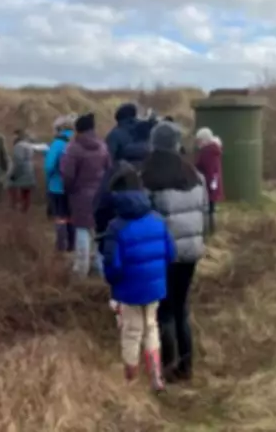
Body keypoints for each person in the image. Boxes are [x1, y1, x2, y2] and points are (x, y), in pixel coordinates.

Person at [141, 120, 208, 383]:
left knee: (164, 310)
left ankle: (168, 368)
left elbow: (142, 215)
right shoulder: (194, 175)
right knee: (181, 308)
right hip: (191, 251)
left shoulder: (147, 176)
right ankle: (186, 367)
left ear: (154, 143)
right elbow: (204, 211)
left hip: (162, 252)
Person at [100, 165, 176, 392]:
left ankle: (130, 382)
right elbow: (171, 253)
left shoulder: (116, 226)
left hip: (128, 290)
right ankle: (156, 377)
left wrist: (113, 284)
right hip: (155, 286)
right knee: (151, 327)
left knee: (132, 332)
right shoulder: (157, 219)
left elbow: (113, 265)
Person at [60, 113, 110, 278]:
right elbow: (109, 169)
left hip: (80, 196)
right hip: (100, 195)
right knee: (98, 232)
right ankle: (99, 269)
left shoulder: (73, 148)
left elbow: (67, 176)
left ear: (78, 129)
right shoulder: (102, 146)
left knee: (82, 231)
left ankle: (81, 269)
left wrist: (69, 190)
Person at [45, 115, 76, 252]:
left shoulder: (57, 143)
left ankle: (60, 247)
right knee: (71, 216)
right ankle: (72, 245)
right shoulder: (76, 141)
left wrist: (50, 178)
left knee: (60, 217)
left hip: (57, 186)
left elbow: (49, 166)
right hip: (74, 187)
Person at [194, 127, 224, 234]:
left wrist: (210, 186)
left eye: (199, 140)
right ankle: (213, 231)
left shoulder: (207, 152)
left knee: (208, 209)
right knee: (212, 208)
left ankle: (209, 231)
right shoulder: (213, 151)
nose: (198, 143)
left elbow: (209, 170)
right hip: (213, 184)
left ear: (204, 140)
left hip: (208, 184)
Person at [8, 129, 37, 212]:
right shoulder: (28, 145)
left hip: (22, 172)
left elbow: (18, 162)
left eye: (13, 135)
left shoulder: (18, 146)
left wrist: (13, 174)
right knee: (26, 194)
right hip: (29, 171)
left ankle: (17, 211)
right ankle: (25, 211)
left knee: (13, 189)